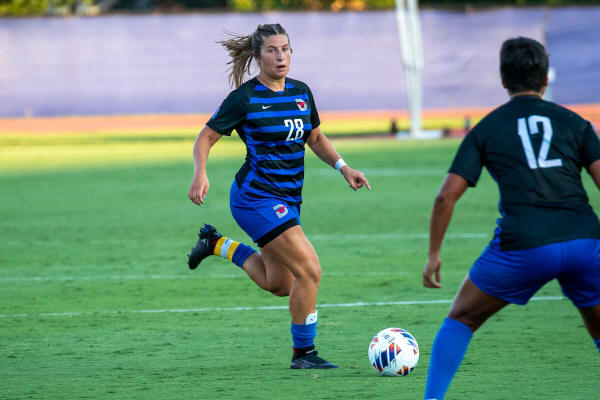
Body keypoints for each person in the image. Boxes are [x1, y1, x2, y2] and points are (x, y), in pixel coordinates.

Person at [422, 36, 600, 399]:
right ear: (545, 78)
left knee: (461, 318)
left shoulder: (487, 128)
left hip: (524, 246)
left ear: (503, 79)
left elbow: (445, 197)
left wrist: (434, 255)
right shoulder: (575, 123)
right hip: (584, 241)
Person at [186, 24, 370, 369]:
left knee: (280, 284)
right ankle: (304, 354)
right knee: (310, 270)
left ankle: (216, 244)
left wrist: (343, 167)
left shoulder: (301, 92)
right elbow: (205, 137)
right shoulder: (245, 98)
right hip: (255, 198)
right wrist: (200, 174)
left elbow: (315, 138)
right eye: (272, 50)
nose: (280, 56)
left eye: (285, 49)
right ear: (258, 57)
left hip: (288, 199)